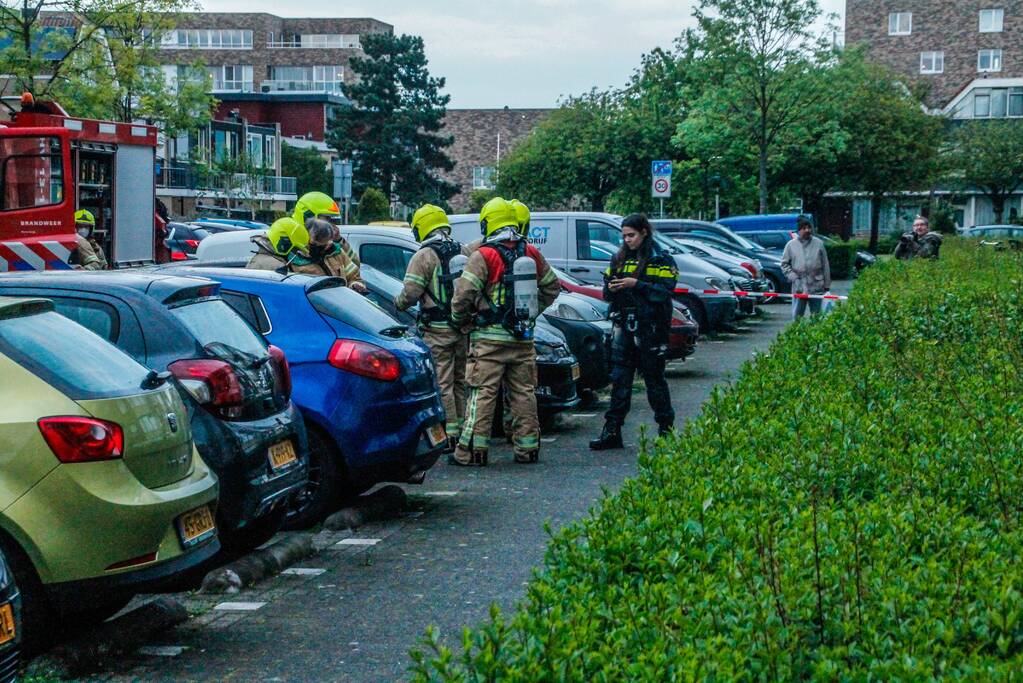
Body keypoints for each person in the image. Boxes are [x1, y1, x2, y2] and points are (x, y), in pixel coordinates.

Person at [449, 197, 560, 466]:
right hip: (522, 338)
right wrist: (531, 312)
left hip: (488, 340)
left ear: (488, 222)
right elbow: (552, 287)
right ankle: (527, 449)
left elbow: (463, 295)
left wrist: (460, 318)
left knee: (481, 393)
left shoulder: (483, 255)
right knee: (523, 393)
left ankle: (472, 452)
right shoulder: (530, 252)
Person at [589, 214, 678, 450]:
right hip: (624, 327)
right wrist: (612, 287)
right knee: (620, 381)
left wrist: (635, 284)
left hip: (651, 328)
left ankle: (666, 431)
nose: (627, 240)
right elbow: (607, 293)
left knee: (654, 382)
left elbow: (664, 292)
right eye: (624, 236)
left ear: (644, 232)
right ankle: (612, 431)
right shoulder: (619, 258)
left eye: (631, 235)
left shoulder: (661, 259)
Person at [395, 204, 469, 449]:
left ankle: (450, 434)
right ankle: (465, 430)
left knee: (443, 383)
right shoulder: (460, 250)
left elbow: (411, 293)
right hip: (462, 328)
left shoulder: (423, 256)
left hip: (437, 330)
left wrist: (398, 303)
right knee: (461, 382)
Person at [292, 191, 365, 287]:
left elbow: (355, 270)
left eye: (330, 220)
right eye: (325, 220)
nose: (329, 225)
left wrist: (339, 241)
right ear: (307, 217)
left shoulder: (334, 249)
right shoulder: (292, 253)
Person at [780, 215, 831, 320]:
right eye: (804, 228)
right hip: (799, 287)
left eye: (809, 228)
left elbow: (825, 265)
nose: (807, 230)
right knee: (797, 317)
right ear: (799, 230)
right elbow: (784, 264)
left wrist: (827, 285)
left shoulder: (819, 244)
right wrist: (793, 277)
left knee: (817, 318)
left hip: (817, 286)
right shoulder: (790, 245)